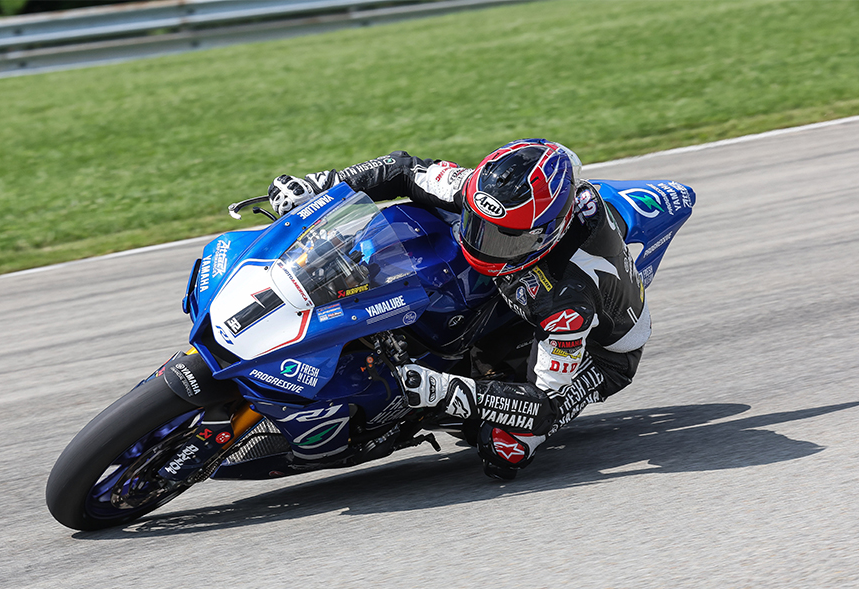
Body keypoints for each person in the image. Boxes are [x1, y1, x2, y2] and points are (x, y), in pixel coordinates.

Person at [267, 140, 649, 480]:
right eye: (478, 225)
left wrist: (443, 389)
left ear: (544, 235)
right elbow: (403, 169)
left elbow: (541, 405)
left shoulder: (566, 304)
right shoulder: (480, 192)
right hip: (520, 294)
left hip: (598, 354)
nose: (484, 244)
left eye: (503, 239)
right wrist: (320, 185)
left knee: (504, 450)